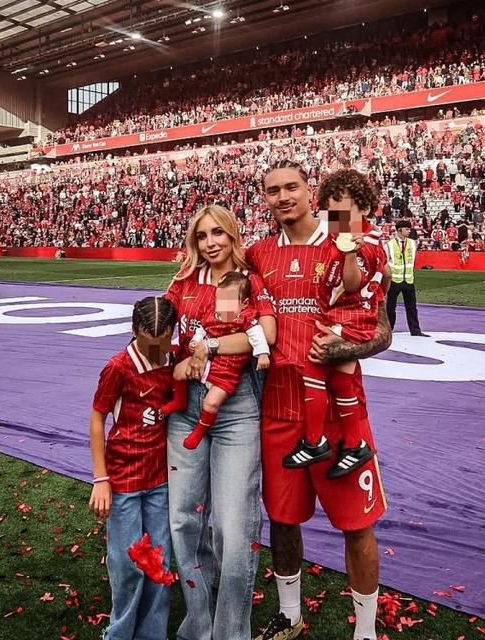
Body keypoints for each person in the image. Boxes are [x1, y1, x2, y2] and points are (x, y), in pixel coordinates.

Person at [247, 160, 391, 640]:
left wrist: (347, 349)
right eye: (273, 190)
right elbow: (228, 308)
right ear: (265, 199)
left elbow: (383, 330)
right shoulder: (256, 255)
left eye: (292, 187)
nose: (283, 197)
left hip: (337, 412)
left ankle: (365, 632)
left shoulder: (349, 241)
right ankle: (290, 615)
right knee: (282, 518)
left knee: (357, 524)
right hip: (277, 409)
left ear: (312, 193)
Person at [163, 204, 276, 640]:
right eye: (202, 235)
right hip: (186, 407)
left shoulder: (243, 282)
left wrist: (207, 348)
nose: (210, 243)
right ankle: (198, 626)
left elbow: (262, 336)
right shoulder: (185, 282)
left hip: (235, 406)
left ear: (232, 236)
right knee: (184, 521)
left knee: (233, 527)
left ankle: (230, 633)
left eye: (218, 234)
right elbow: (160, 331)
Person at [282, 169, 387, 479]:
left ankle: (315, 441)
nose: (336, 220)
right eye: (330, 214)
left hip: (347, 321)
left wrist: (350, 255)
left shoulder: (359, 244)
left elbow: (351, 284)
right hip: (352, 319)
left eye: (343, 213)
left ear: (364, 208)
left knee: (313, 371)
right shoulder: (353, 238)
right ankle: (354, 444)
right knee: (342, 382)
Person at [88, 297, 177, 640]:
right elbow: (97, 417)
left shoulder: (175, 358)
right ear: (134, 331)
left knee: (159, 561)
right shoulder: (118, 367)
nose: (156, 351)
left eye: (163, 342)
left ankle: (152, 633)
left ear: (173, 332)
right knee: (127, 565)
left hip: (161, 480)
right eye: (148, 342)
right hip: (124, 480)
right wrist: (101, 478)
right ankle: (119, 633)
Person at [162, 271, 271, 449]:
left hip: (227, 370)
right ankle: (180, 400)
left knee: (211, 402)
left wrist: (262, 353)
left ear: (244, 304)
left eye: (229, 302)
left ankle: (200, 430)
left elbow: (260, 335)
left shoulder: (246, 316)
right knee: (178, 371)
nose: (223, 307)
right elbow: (202, 328)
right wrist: (196, 341)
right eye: (221, 301)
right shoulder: (213, 312)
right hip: (201, 367)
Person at [385, 220, 429, 337]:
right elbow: (385, 263)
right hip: (394, 280)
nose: (409, 231)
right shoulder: (389, 245)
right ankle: (389, 330)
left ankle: (415, 331)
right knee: (390, 307)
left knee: (412, 307)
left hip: (409, 280)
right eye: (407, 229)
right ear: (399, 230)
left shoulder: (413, 243)